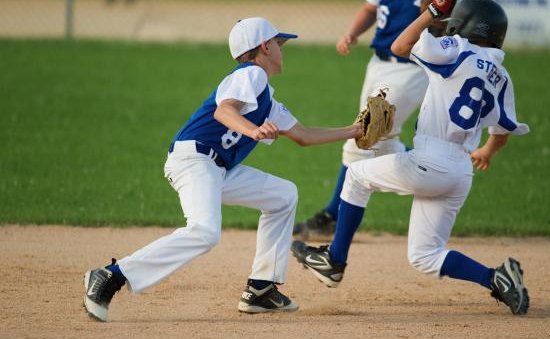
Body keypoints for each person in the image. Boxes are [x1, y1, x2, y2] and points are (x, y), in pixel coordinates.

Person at [83, 17, 362, 321]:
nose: (283, 50)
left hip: (217, 169)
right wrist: (253, 131)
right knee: (204, 231)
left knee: (283, 196)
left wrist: (354, 130)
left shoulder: (267, 100)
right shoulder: (251, 74)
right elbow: (224, 110)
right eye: (279, 44)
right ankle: (111, 275)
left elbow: (305, 136)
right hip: (194, 160)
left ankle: (261, 289)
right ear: (265, 47)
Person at [291, 0, 531, 316]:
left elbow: (399, 45)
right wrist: (486, 152)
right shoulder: (502, 75)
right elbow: (502, 133)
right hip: (461, 172)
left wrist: (432, 11)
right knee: (424, 255)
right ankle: (496, 279)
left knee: (358, 176)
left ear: (466, 26)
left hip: (431, 160)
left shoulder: (456, 48)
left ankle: (334, 260)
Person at [293, 0, 474, 241]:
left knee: (363, 134)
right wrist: (352, 32)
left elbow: (472, 19)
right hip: (378, 64)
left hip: (413, 70)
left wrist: (445, 28)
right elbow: (370, 8)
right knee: (380, 140)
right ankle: (432, 175)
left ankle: (333, 215)